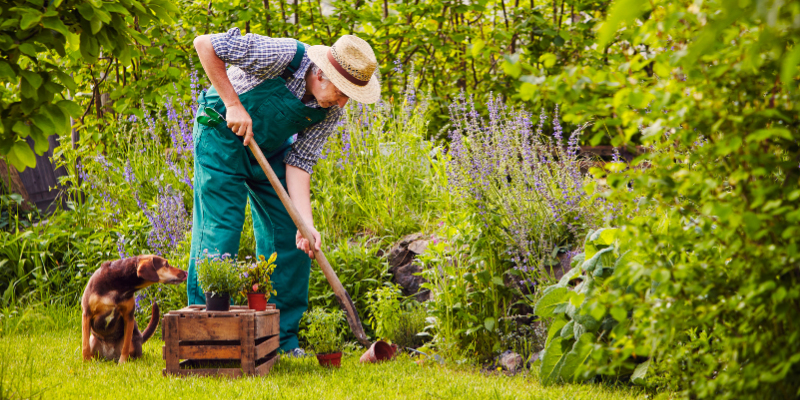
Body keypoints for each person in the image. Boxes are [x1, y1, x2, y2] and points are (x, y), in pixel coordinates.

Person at [190, 28, 380, 355]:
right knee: (220, 232)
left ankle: (279, 338)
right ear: (321, 74)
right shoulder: (282, 56)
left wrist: (306, 224)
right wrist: (233, 104)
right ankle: (205, 334)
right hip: (220, 134)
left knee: (292, 235)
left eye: (350, 95)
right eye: (342, 91)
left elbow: (301, 162)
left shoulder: (330, 108)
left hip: (270, 149)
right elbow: (204, 44)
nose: (343, 102)